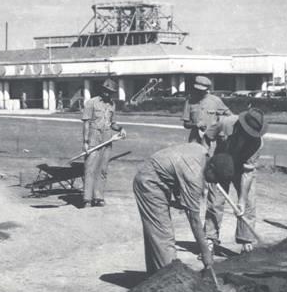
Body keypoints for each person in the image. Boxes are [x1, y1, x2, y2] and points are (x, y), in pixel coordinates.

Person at [133, 143, 235, 275]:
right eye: (216, 179)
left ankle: (155, 276)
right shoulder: (195, 177)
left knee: (156, 233)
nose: (215, 183)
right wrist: (206, 253)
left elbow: (176, 166)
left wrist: (179, 197)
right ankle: (168, 279)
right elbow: (194, 220)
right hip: (149, 182)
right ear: (211, 168)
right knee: (164, 235)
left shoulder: (202, 151)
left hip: (157, 177)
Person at [203, 108, 267, 256]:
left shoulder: (257, 143)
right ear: (240, 125)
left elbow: (248, 172)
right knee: (215, 203)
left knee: (249, 203)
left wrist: (242, 201)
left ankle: (246, 241)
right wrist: (206, 159)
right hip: (220, 164)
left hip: (241, 169)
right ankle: (210, 240)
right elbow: (207, 137)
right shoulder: (224, 123)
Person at [80, 78, 127, 207]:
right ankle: (87, 199)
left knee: (103, 170)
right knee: (90, 169)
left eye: (111, 92)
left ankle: (98, 197)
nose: (108, 94)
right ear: (102, 90)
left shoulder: (112, 105)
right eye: (106, 91)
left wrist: (121, 129)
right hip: (93, 138)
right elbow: (86, 123)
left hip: (107, 139)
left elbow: (112, 123)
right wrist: (85, 142)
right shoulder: (91, 103)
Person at [182, 75, 231, 145]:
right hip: (195, 139)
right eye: (197, 89)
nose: (198, 92)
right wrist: (195, 125)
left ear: (207, 89)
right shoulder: (189, 101)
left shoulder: (215, 100)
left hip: (213, 139)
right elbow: (185, 124)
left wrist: (222, 131)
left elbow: (230, 118)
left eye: (201, 90)